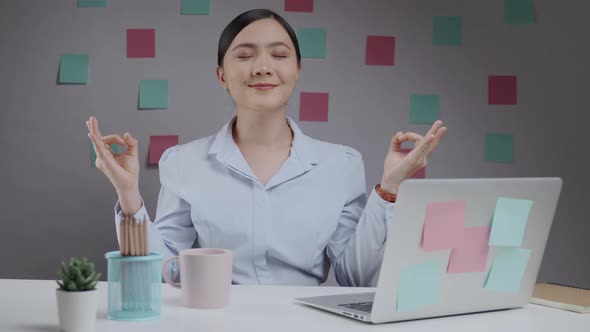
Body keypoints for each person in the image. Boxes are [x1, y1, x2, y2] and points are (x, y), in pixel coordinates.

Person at [86, 8, 447, 287]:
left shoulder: (342, 164)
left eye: (278, 55)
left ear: (298, 69)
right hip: (214, 318)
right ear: (222, 75)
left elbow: (354, 277)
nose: (262, 67)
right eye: (244, 56)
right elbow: (160, 271)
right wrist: (129, 194)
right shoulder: (183, 162)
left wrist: (389, 189)